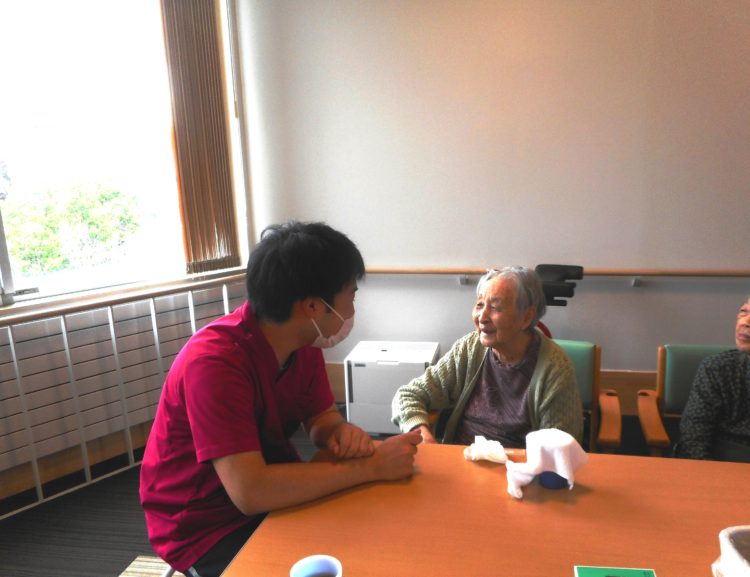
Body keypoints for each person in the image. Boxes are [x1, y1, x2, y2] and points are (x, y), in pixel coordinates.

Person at [140, 221, 422, 577]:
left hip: (270, 484)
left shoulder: (302, 342)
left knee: (369, 544)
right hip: (205, 523)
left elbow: (321, 419)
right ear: (313, 306)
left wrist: (338, 431)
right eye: (351, 295)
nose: (352, 309)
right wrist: (371, 467)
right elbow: (251, 493)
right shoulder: (214, 363)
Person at [391, 266, 583, 447]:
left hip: (522, 465)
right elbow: (408, 395)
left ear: (526, 317)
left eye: (496, 308)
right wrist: (422, 436)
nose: (482, 317)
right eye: (480, 305)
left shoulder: (555, 368)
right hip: (462, 457)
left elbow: (560, 447)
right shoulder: (469, 348)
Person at [677, 296, 750, 462]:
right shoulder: (718, 368)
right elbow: (694, 434)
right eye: (744, 311)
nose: (746, 322)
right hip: (723, 459)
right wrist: (707, 473)